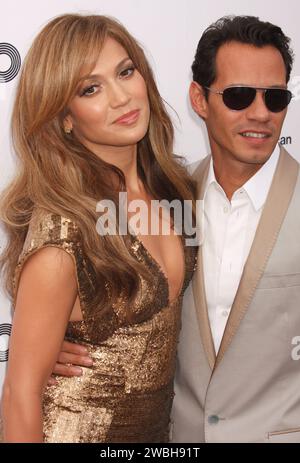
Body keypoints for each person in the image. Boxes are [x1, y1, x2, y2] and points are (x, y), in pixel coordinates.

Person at [57, 15, 300, 443]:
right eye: (240, 95)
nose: (261, 113)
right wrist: (62, 341)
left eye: (276, 98)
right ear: (199, 99)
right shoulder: (169, 200)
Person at [0, 13, 197, 443]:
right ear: (64, 116)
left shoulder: (172, 188)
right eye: (91, 88)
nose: (122, 97)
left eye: (125, 72)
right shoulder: (65, 232)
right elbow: (19, 395)